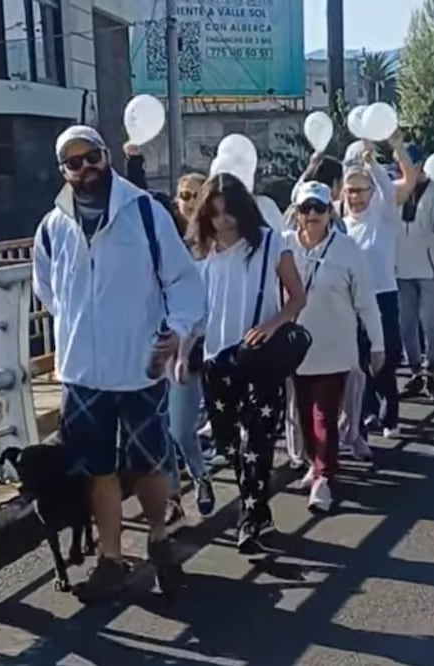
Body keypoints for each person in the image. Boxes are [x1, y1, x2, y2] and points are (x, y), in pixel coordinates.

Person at [33, 126, 205, 603]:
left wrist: (176, 330)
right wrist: (80, 328)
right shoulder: (52, 226)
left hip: (139, 365)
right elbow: (47, 290)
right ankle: (110, 557)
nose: (86, 168)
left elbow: (183, 281)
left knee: (148, 464)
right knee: (97, 468)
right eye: (74, 162)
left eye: (93, 157)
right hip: (82, 372)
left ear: (107, 156)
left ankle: (159, 538)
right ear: (63, 170)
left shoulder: (145, 213)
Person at [187, 173, 305, 553]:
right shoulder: (202, 254)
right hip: (216, 360)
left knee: (258, 439)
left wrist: (272, 325)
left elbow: (297, 296)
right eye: (215, 213)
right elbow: (195, 312)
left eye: (229, 212)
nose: (223, 220)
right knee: (232, 444)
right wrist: (182, 350)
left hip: (259, 356)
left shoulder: (270, 243)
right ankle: (259, 512)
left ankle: (250, 521)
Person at [120, 148, 215, 521]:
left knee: (184, 427)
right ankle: (176, 495)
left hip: (203, 343)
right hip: (166, 344)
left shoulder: (216, 244)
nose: (188, 202)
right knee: (166, 428)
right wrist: (135, 162)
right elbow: (137, 200)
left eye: (195, 195)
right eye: (183, 195)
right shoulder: (167, 237)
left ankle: (205, 475)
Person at [283, 182, 384, 512]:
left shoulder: (347, 249)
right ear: (296, 213)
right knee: (303, 414)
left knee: (324, 415)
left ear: (330, 212)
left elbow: (366, 301)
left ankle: (324, 477)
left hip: (335, 347)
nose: (312, 214)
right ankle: (316, 464)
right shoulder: (284, 246)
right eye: (305, 208)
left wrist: (377, 344)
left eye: (319, 208)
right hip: (296, 349)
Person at [342, 152, 406, 440]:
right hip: (352, 300)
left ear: (370, 192)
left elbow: (388, 190)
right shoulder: (342, 225)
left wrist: (371, 163)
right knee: (358, 357)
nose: (355, 197)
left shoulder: (383, 217)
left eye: (360, 190)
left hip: (383, 295)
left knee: (385, 357)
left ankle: (390, 414)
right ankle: (367, 409)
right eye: (350, 191)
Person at [395, 143, 434, 403]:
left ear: (418, 165)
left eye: (405, 163)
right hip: (400, 267)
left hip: (429, 268)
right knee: (406, 324)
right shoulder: (396, 189)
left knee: (431, 323)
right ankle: (416, 371)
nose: (401, 168)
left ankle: (432, 373)